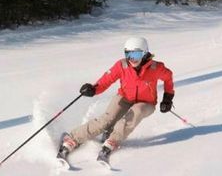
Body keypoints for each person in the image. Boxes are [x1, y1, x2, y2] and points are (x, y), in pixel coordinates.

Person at [57, 36, 175, 164]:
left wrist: (167, 99)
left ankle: (112, 140)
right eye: (128, 54)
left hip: (146, 103)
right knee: (106, 120)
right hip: (124, 97)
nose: (131, 59)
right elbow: (106, 80)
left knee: (135, 113)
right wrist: (93, 89)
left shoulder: (155, 68)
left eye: (135, 54)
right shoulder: (122, 65)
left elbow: (168, 78)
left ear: (145, 53)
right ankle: (73, 138)